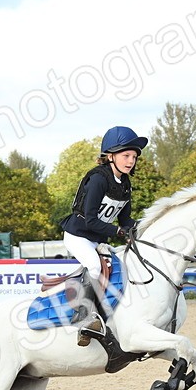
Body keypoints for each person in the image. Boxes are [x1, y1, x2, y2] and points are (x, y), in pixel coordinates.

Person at [60, 125, 145, 344]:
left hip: (97, 239)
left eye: (134, 157)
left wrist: (146, 227)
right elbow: (91, 220)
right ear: (110, 156)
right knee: (95, 266)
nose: (130, 161)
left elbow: (126, 221)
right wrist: (117, 231)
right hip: (78, 235)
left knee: (121, 267)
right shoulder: (98, 179)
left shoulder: (125, 184)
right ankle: (83, 318)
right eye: (126, 155)